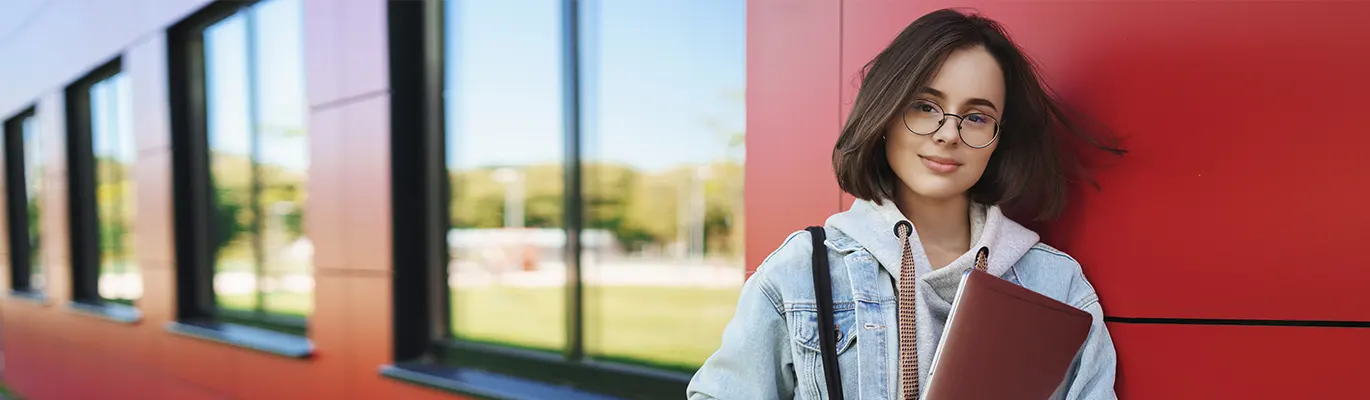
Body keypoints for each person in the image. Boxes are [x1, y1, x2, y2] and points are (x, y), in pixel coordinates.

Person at [686, 8, 1123, 400]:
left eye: (976, 116)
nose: (948, 133)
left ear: (998, 139)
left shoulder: (1055, 285)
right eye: (924, 106)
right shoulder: (801, 271)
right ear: (887, 113)